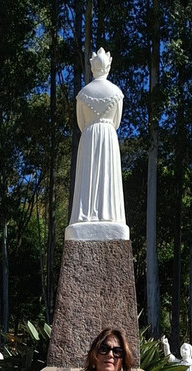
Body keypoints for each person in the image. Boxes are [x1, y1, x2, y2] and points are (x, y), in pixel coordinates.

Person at [66, 48, 128, 241]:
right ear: (108, 66)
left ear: (92, 67)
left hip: (89, 136)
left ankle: (85, 215)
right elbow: (116, 121)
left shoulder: (83, 94)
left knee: (88, 173)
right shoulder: (116, 93)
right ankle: (110, 214)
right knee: (108, 175)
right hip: (109, 136)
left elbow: (81, 122)